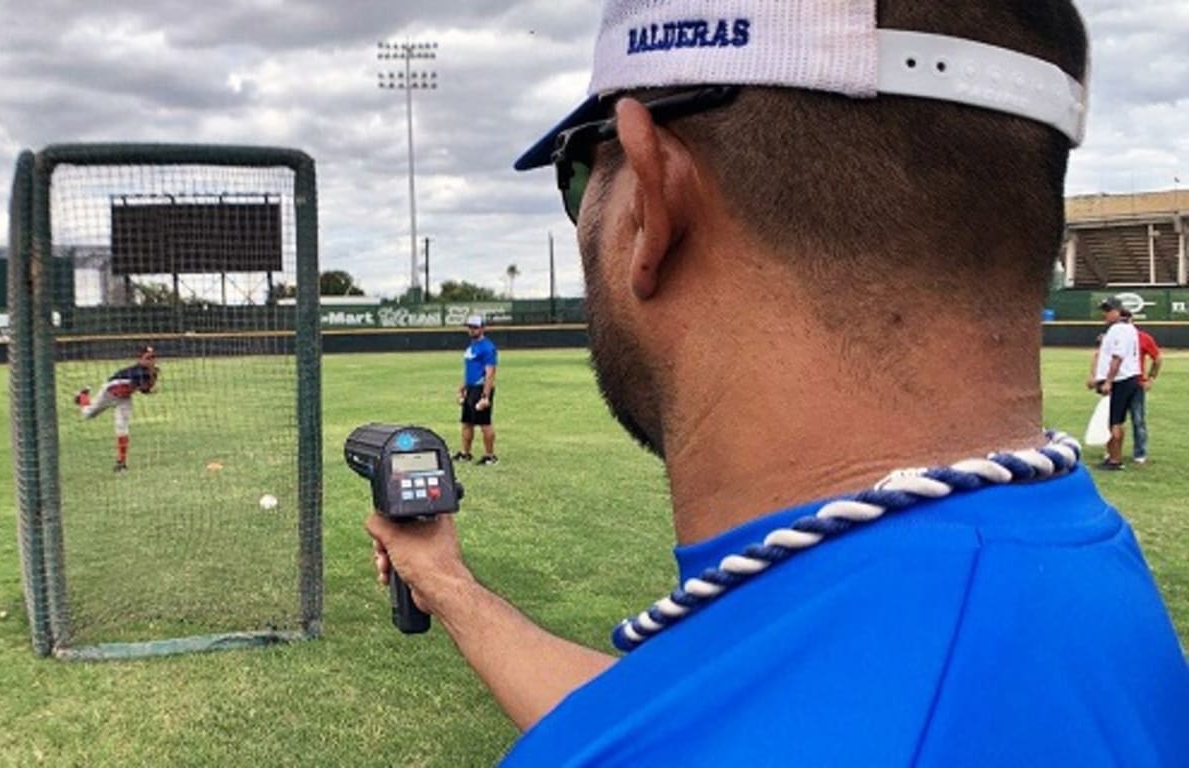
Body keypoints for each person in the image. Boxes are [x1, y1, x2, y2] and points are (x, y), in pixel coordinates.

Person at [365, 1, 1189, 765]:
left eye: (579, 172)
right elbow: (699, 717)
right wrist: (451, 587)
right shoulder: (1064, 562)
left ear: (652, 200)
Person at [75, 345, 159, 472]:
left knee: (122, 427)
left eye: (153, 357)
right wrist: (151, 382)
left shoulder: (149, 373)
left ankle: (121, 463)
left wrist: (150, 385)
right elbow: (141, 384)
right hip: (108, 394)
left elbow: (143, 389)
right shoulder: (137, 372)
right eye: (148, 357)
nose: (151, 360)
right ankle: (82, 396)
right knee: (87, 414)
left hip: (124, 398)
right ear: (140, 359)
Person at [1087, 298, 1142, 470]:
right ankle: (1112, 456)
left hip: (1121, 380)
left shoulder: (1120, 329)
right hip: (1127, 378)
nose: (1105, 314)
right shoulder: (1127, 328)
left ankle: (1115, 460)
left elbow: (1117, 358)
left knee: (1114, 421)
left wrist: (1108, 381)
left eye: (1108, 310)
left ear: (1118, 311)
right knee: (1115, 420)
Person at [453, 315, 499, 466]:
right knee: (467, 422)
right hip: (471, 388)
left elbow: (490, 372)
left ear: (482, 328)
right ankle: (466, 453)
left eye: (475, 327)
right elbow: (470, 370)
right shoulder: (472, 346)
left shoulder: (487, 347)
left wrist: (485, 396)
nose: (471, 330)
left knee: (485, 423)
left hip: (481, 388)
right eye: (470, 327)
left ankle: (490, 456)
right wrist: (462, 388)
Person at [1125, 309, 1163, 463]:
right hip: (1119, 382)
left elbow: (1158, 358)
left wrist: (1150, 378)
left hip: (1136, 383)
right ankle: (1112, 451)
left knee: (1138, 418)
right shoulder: (1114, 337)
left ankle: (1140, 452)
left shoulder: (1143, 338)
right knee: (1114, 419)